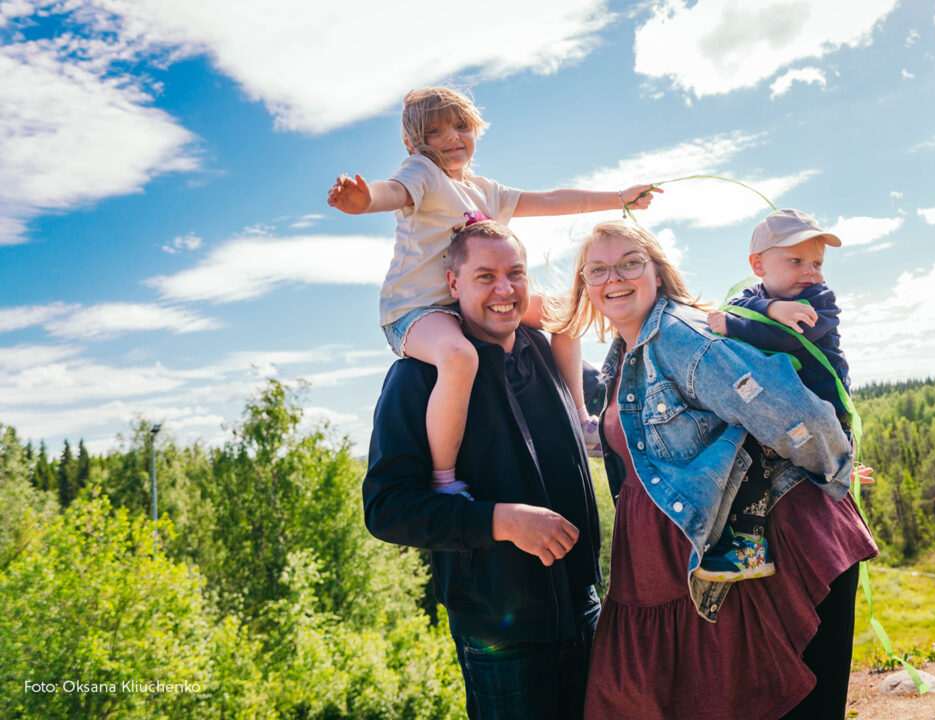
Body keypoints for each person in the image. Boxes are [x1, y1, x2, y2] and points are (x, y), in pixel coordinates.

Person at [547, 220, 879, 720]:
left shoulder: (683, 336)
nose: (615, 277)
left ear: (657, 272)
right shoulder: (625, 353)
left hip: (773, 550)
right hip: (671, 559)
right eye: (598, 269)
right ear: (585, 286)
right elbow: (644, 441)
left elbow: (801, 416)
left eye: (631, 263)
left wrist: (835, 471)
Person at [329, 86, 657, 498]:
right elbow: (390, 192)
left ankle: (578, 417)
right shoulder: (422, 173)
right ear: (414, 144)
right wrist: (363, 201)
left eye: (461, 126)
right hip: (416, 311)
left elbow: (552, 199)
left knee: (564, 313)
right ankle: (444, 480)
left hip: (469, 303)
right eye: (435, 132)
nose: (452, 137)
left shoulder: (483, 190)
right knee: (459, 356)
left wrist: (618, 198)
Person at [363, 220, 602, 720]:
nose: (504, 289)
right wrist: (501, 521)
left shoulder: (547, 350)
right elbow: (386, 509)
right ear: (453, 284)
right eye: (485, 276)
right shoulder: (418, 376)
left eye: (515, 273)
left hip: (587, 611)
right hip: (498, 635)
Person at [698, 208, 855, 581]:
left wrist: (738, 326)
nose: (810, 272)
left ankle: (749, 547)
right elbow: (733, 304)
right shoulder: (750, 297)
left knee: (758, 453)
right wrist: (770, 306)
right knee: (745, 452)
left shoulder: (820, 300)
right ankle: (739, 538)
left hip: (825, 410)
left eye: (817, 262)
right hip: (780, 408)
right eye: (795, 260)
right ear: (758, 265)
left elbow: (787, 336)